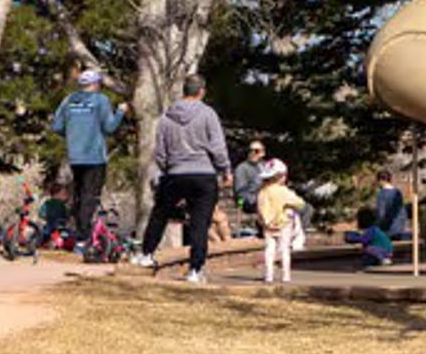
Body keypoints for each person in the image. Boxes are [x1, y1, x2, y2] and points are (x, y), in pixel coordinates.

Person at [130, 74, 231, 283]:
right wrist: (225, 170)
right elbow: (218, 147)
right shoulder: (208, 114)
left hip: (175, 172)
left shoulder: (167, 116)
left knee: (160, 214)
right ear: (201, 91)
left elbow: (160, 151)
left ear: (184, 91)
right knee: (200, 222)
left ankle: (147, 253)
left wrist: (168, 167)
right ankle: (195, 269)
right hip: (203, 173)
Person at [50, 69, 127, 241]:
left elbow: (56, 126)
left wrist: (72, 134)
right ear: (95, 84)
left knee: (79, 193)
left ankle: (77, 229)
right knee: (90, 195)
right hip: (95, 156)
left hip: (75, 156)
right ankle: (83, 236)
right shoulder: (100, 100)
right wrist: (120, 112)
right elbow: (110, 128)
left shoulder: (68, 100)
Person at [256, 158, 306, 283]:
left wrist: (264, 220)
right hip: (283, 223)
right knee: (284, 250)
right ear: (280, 176)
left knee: (269, 249)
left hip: (267, 225)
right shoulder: (283, 191)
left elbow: (260, 209)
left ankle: (269, 275)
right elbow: (300, 203)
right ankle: (286, 275)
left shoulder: (262, 192)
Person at [234, 140, 267, 232]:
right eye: (250, 150)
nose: (253, 153)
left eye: (256, 151)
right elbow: (240, 192)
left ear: (263, 153)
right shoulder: (241, 168)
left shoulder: (266, 166)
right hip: (249, 200)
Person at [374, 170, 409, 240]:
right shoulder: (398, 192)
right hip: (400, 228)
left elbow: (381, 214)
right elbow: (402, 211)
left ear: (381, 180)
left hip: (388, 230)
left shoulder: (381, 194)